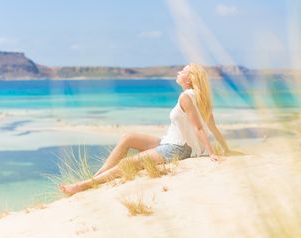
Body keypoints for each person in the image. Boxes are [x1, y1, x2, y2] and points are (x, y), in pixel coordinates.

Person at [59, 63, 241, 196]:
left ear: (189, 79)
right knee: (128, 138)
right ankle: (96, 177)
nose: (179, 72)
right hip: (168, 142)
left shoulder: (186, 97)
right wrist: (226, 149)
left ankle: (83, 186)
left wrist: (211, 154)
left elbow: (200, 127)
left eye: (183, 71)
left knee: (126, 164)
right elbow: (214, 128)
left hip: (176, 149)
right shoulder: (202, 98)